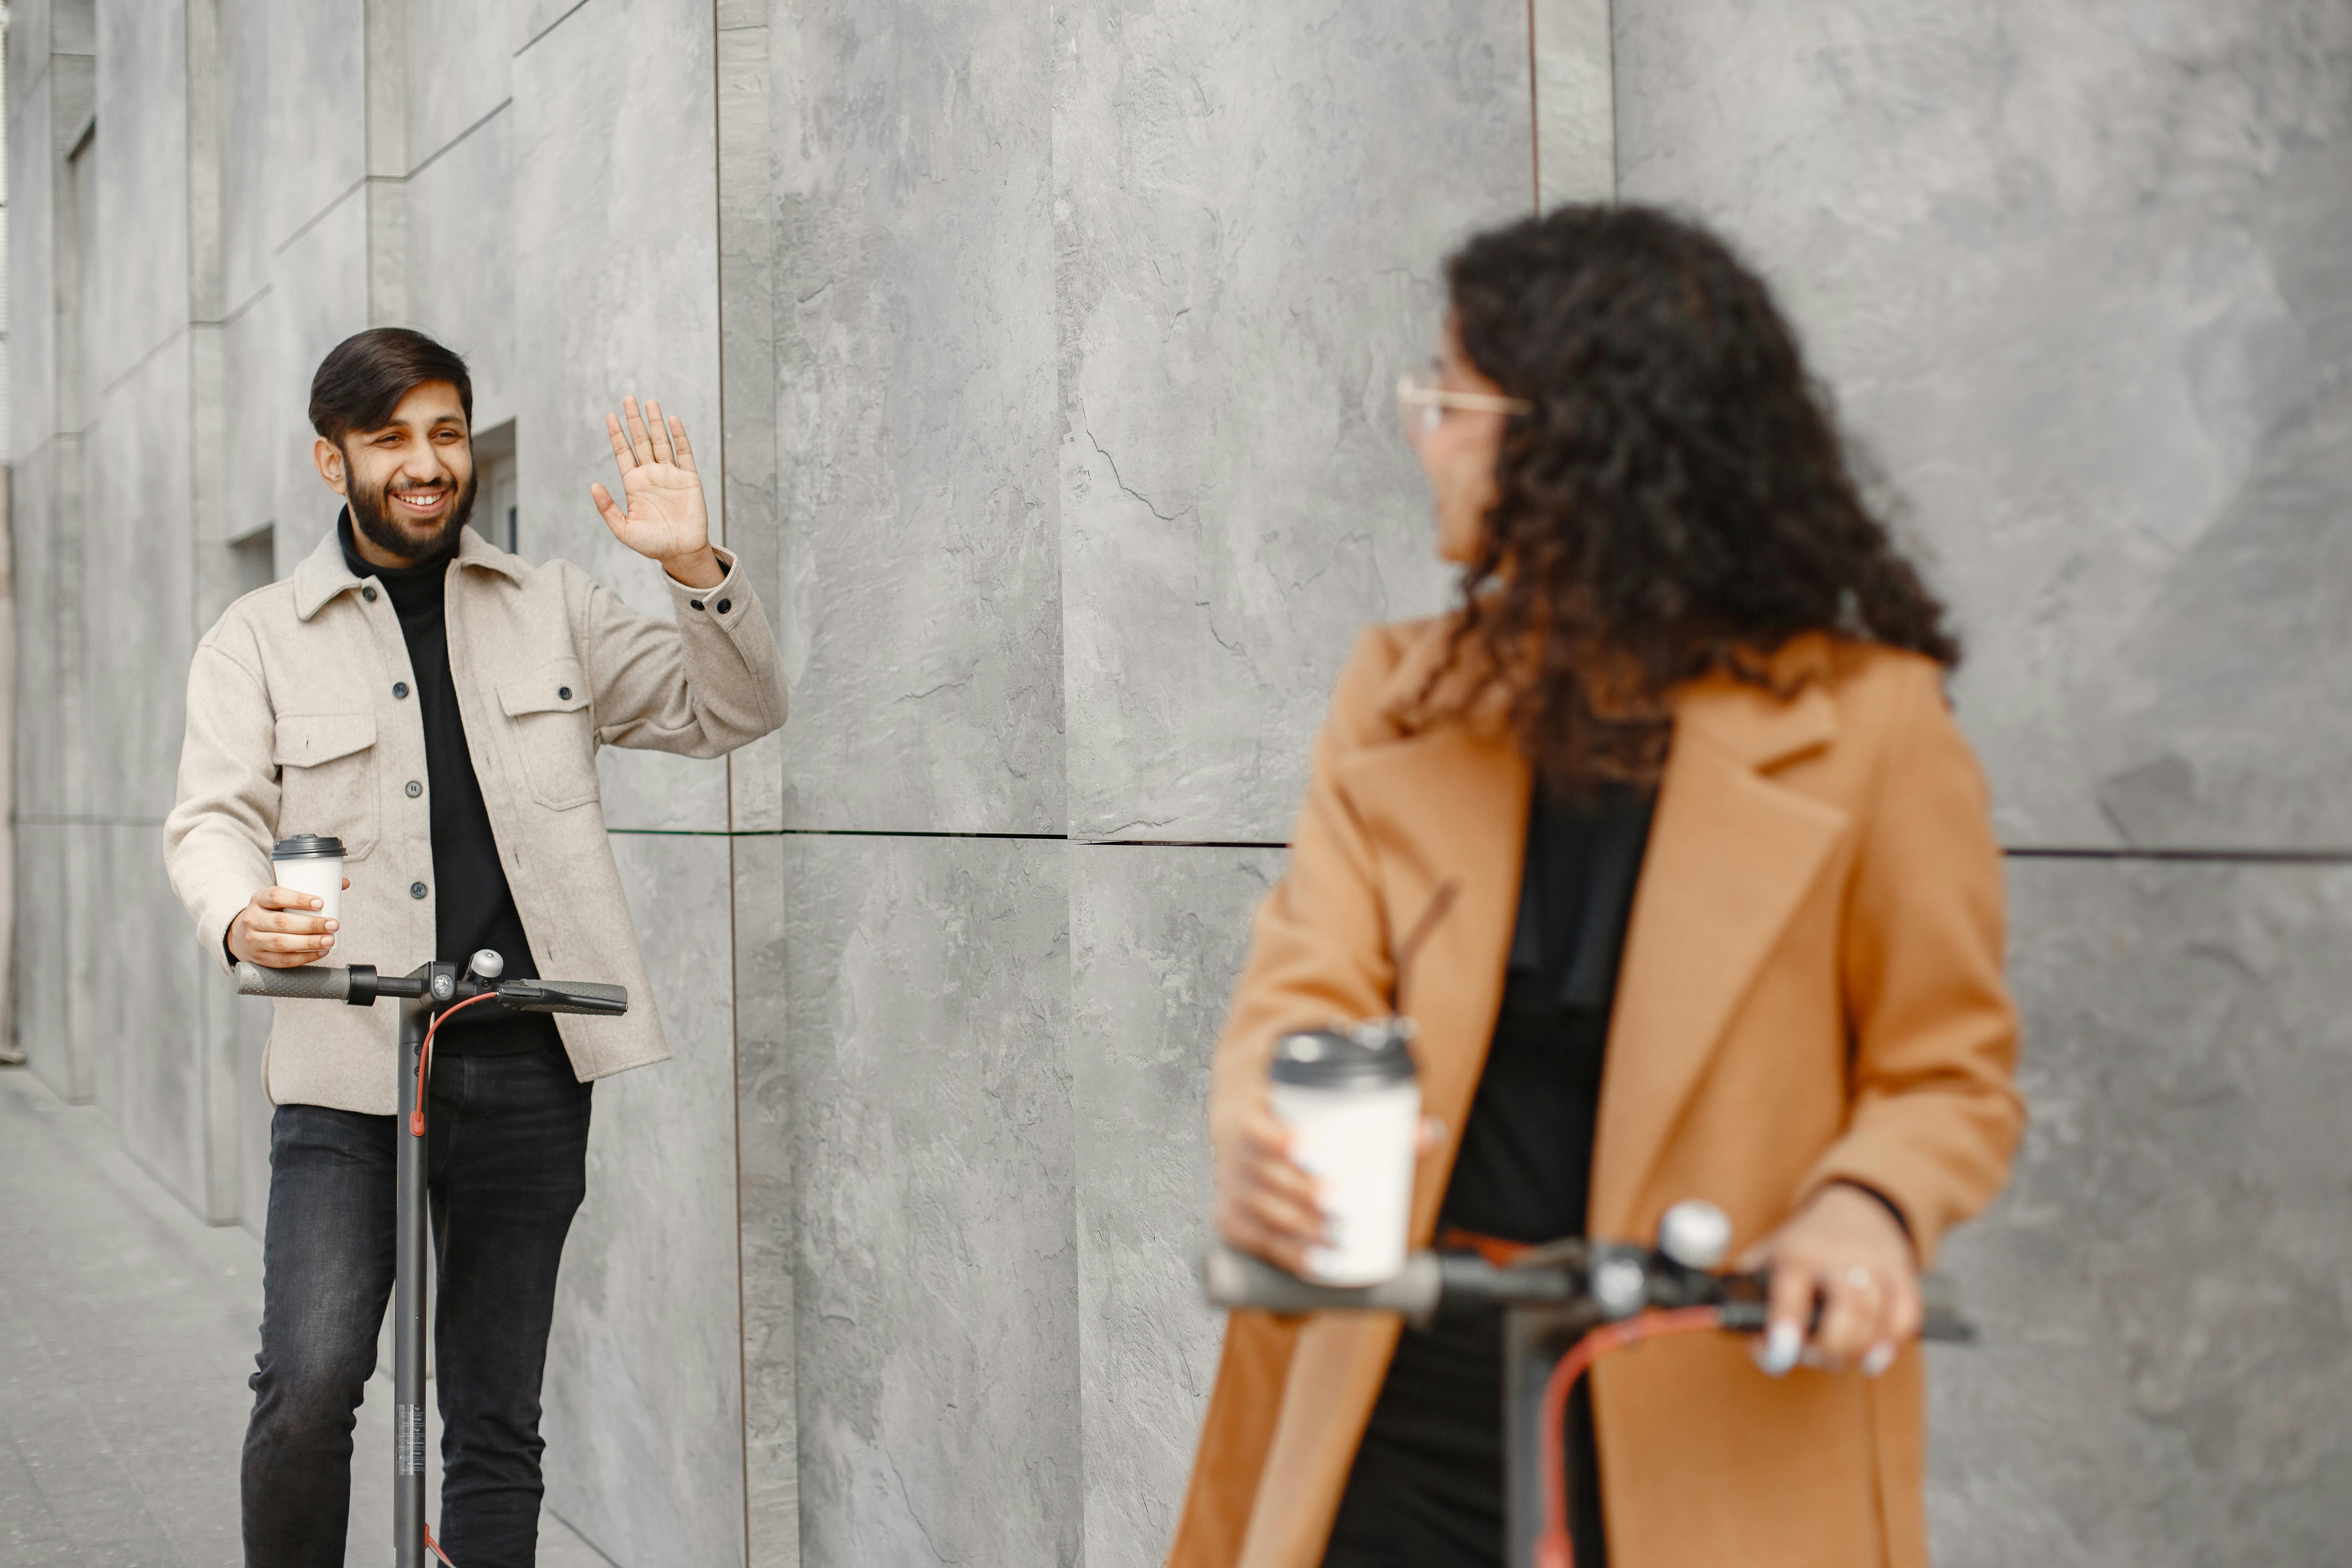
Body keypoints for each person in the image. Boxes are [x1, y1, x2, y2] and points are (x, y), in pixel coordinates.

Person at [1169, 207, 2024, 1568]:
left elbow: (1947, 1071)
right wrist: (1265, 1139)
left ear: (1574, 439)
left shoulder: (1874, 729)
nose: (1421, 431)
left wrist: (1866, 1205)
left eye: (1450, 396)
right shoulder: (1399, 697)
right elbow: (1303, 988)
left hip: (1717, 1420)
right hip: (1395, 1413)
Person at [164, 328, 787, 1567]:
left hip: (526, 1066)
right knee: (309, 1385)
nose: (425, 463)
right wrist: (243, 913)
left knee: (495, 1418)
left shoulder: (553, 607)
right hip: (348, 1073)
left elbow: (737, 707)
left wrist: (694, 566)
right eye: (390, 439)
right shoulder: (259, 636)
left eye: (444, 432)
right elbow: (212, 820)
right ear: (333, 461)